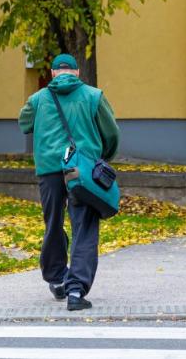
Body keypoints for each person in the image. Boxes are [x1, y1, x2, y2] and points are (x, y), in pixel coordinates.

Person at [18, 53, 120, 311]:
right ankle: (76, 290)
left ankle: (57, 278)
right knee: (84, 226)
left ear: (53, 74)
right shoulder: (94, 96)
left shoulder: (38, 99)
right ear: (76, 73)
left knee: (53, 222)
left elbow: (24, 124)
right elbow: (111, 134)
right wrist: (101, 158)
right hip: (82, 170)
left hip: (49, 169)